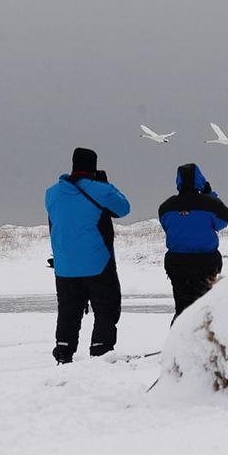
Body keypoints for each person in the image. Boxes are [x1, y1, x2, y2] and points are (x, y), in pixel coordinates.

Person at [45, 147, 131, 364]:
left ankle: (63, 350)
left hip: (64, 265)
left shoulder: (52, 193)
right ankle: (100, 352)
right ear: (94, 167)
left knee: (68, 311)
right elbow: (123, 208)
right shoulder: (100, 190)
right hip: (97, 263)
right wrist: (105, 184)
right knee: (106, 308)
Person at [159, 163, 228, 322]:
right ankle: (204, 340)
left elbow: (166, 227)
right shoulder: (210, 204)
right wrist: (210, 194)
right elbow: (225, 219)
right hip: (205, 262)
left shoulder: (166, 207)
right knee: (205, 306)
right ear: (200, 180)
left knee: (182, 308)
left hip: (177, 263)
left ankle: (178, 340)